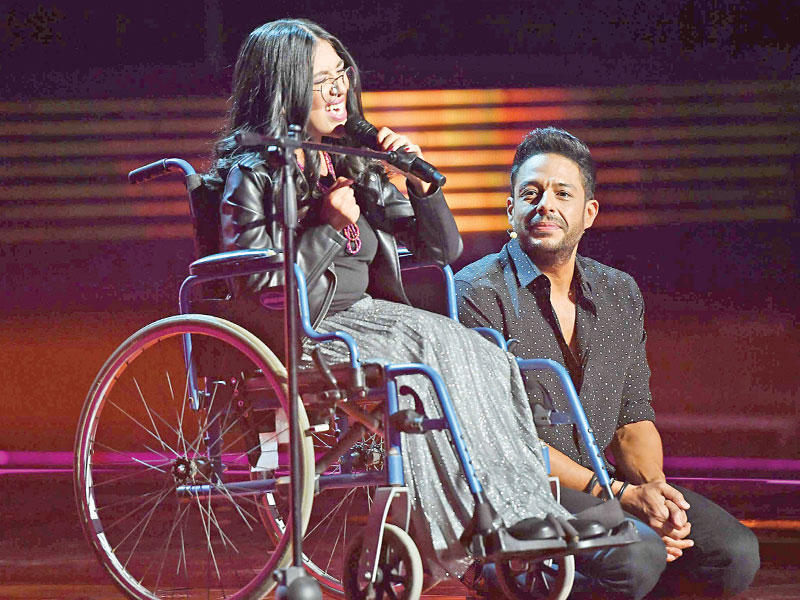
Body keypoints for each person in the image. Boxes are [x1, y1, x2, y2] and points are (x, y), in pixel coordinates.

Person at [203, 19, 579, 581]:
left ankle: (521, 511)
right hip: (301, 328)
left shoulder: (349, 159)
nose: (339, 90)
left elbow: (441, 249)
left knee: (486, 354)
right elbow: (260, 288)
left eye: (341, 74)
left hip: (371, 319)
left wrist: (418, 185)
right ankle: (460, 530)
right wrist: (328, 228)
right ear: (284, 89)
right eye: (321, 80)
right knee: (422, 369)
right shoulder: (251, 175)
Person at [455, 127, 760, 598]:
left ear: (589, 212)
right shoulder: (476, 293)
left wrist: (657, 499)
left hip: (602, 492)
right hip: (521, 491)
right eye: (531, 194)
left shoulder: (619, 292)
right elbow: (501, 442)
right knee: (637, 557)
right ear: (510, 209)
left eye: (563, 194)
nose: (545, 205)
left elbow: (632, 418)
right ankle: (500, 573)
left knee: (733, 554)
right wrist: (620, 496)